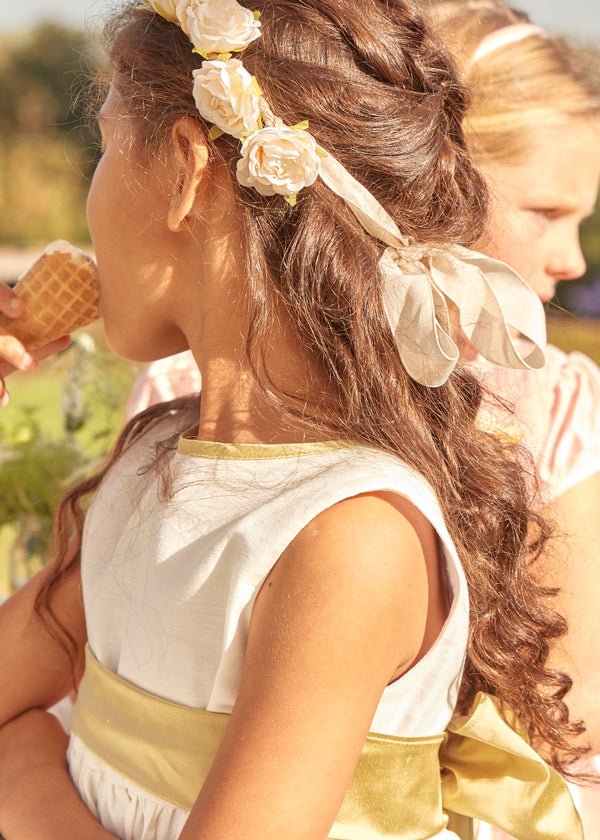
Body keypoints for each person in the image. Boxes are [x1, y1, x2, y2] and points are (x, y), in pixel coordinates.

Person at [0, 1, 587, 838]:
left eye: (103, 143)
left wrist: (21, 775)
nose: (87, 195)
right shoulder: (157, 459)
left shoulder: (351, 537)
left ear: (187, 170)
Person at [425, 0, 600, 836]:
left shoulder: (555, 403)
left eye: (582, 221)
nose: (571, 260)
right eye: (545, 212)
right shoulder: (219, 376)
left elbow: (576, 697)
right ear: (436, 183)